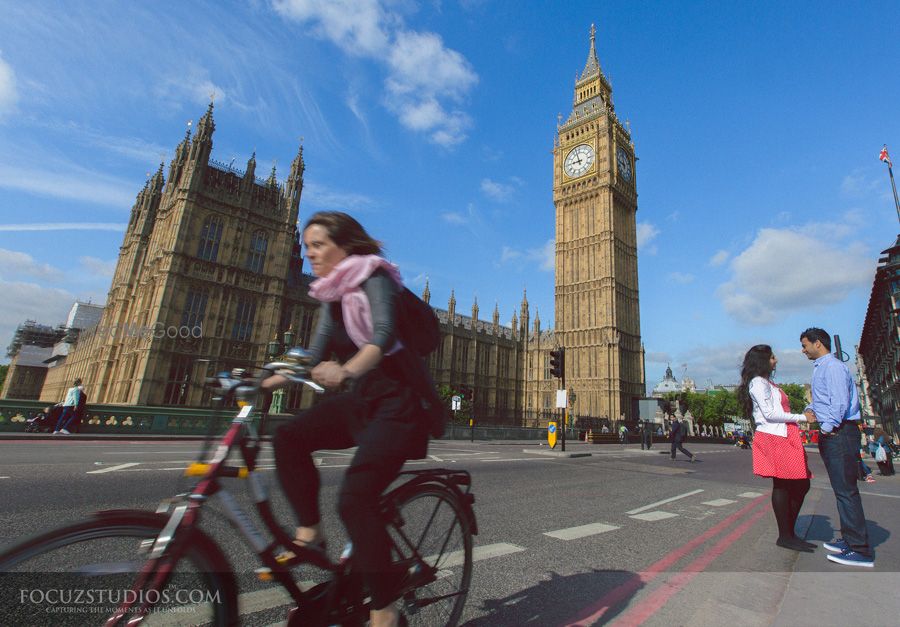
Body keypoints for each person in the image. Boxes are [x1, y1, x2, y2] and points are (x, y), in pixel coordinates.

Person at [262, 211, 434, 627]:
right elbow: (313, 351)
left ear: (345, 246)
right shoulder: (331, 293)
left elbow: (383, 335)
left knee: (354, 498)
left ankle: (384, 607)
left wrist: (347, 370)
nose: (310, 254)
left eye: (318, 245)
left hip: (399, 403)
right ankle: (310, 531)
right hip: (362, 400)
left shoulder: (375, 277)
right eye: (306, 247)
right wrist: (264, 381)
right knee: (287, 437)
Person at [801, 327, 873, 567]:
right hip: (835, 431)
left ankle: (860, 550)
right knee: (842, 489)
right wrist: (810, 410)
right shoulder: (823, 367)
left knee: (846, 491)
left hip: (839, 432)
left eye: (805, 345)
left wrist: (827, 427)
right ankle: (851, 540)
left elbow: (839, 402)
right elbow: (823, 401)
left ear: (818, 343)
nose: (803, 350)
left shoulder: (832, 367)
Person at [737, 345, 814, 552]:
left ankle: (788, 532)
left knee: (799, 484)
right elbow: (770, 414)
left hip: (784, 434)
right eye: (772, 357)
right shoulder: (757, 384)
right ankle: (786, 535)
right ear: (762, 360)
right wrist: (802, 417)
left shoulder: (767, 383)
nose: (776, 360)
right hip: (774, 436)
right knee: (784, 485)